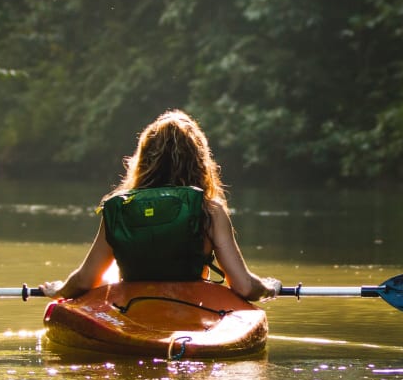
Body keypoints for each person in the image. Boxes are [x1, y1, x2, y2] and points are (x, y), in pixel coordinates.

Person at [40, 110, 277, 301]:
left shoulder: (120, 209)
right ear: (199, 161)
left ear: (143, 159)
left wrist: (60, 290)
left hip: (132, 312)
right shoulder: (210, 212)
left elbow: (84, 280)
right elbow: (245, 287)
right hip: (192, 311)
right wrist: (267, 287)